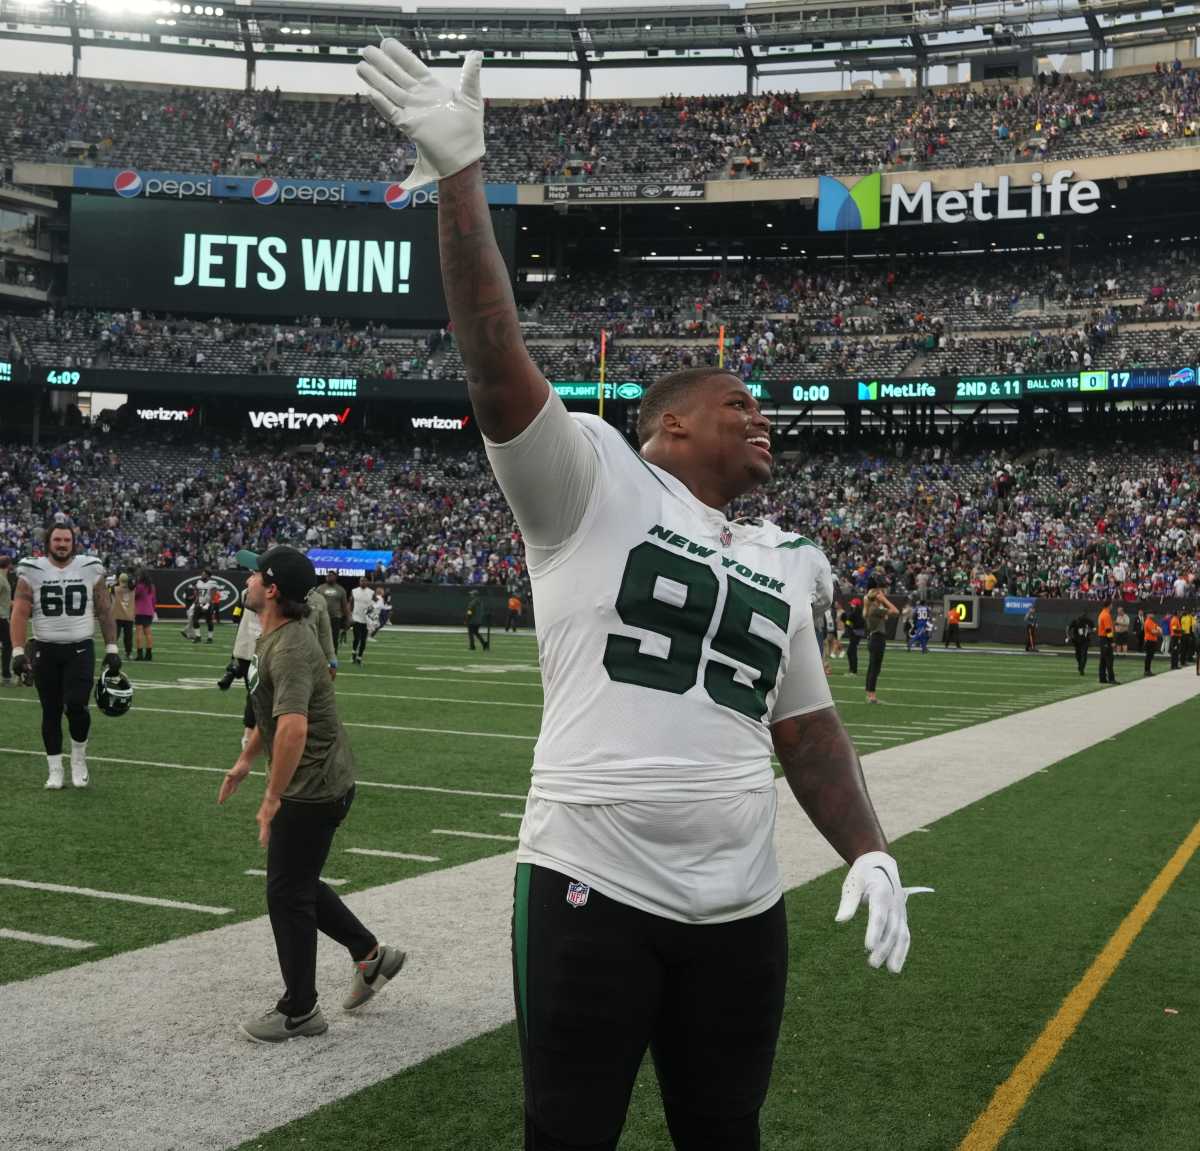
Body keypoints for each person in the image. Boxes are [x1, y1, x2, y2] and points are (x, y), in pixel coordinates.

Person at [358, 41, 925, 1150]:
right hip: (593, 879)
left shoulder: (782, 554)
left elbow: (806, 731)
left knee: (729, 1131)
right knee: (567, 1134)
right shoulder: (589, 481)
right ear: (666, 426)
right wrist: (461, 176)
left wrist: (868, 847)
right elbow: (493, 360)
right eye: (736, 402)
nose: (761, 417)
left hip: (744, 902)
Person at [219, 546, 405, 1043]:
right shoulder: (274, 635)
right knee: (297, 883)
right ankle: (371, 955)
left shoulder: (292, 646)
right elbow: (271, 714)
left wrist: (271, 797)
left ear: (273, 589)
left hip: (314, 788)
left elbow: (293, 729)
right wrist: (244, 761)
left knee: (285, 892)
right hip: (317, 782)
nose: (251, 579)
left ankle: (299, 1009)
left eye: (257, 574)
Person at [9, 523, 121, 789]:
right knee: (50, 711)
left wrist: (112, 648)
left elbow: (104, 610)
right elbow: (20, 612)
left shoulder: (89, 567)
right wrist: (17, 650)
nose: (61, 544)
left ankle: (79, 758)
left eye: (66, 540)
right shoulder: (32, 570)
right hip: (45, 649)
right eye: (57, 539)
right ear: (48, 542)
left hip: (79, 648)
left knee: (76, 705)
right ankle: (55, 768)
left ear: (73, 543)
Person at [864, 582, 900, 703]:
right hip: (877, 639)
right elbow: (895, 611)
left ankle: (869, 694)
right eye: (880, 594)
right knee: (875, 668)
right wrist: (884, 600)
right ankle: (871, 696)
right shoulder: (875, 609)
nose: (883, 595)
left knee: (873, 668)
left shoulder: (873, 608)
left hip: (875, 639)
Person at [316, 570, 350, 652]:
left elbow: (344, 606)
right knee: (321, 638)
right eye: (327, 575)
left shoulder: (341, 590)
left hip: (335, 618)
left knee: (334, 639)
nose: (328, 576)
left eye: (331, 575)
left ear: (335, 577)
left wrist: (348, 618)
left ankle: (333, 659)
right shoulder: (320, 588)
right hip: (322, 617)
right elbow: (315, 602)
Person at [184, 568, 219, 644]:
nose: (201, 575)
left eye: (203, 574)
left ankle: (210, 638)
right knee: (194, 620)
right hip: (199, 604)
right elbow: (197, 591)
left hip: (208, 604)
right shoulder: (199, 582)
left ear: (207, 575)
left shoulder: (213, 582)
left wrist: (208, 603)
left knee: (209, 621)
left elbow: (213, 593)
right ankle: (198, 637)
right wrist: (196, 601)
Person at [349, 576, 374, 665]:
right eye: (361, 581)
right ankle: (353, 653)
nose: (362, 582)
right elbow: (350, 603)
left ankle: (359, 657)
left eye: (364, 581)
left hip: (366, 619)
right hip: (356, 618)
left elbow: (374, 605)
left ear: (367, 582)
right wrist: (349, 615)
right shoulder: (354, 591)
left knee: (363, 640)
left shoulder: (371, 592)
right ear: (359, 582)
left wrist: (372, 612)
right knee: (356, 638)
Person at [134, 570, 156, 661]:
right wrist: (153, 610)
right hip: (149, 611)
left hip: (140, 611)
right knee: (148, 633)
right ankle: (149, 654)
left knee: (139, 633)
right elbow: (154, 600)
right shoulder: (152, 586)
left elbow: (134, 595)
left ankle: (140, 655)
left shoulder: (140, 586)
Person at [113, 573, 136, 659]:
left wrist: (116, 582)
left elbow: (108, 589)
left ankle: (113, 652)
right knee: (128, 637)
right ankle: (128, 653)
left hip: (117, 615)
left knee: (115, 636)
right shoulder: (133, 590)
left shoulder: (115, 589)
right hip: (129, 616)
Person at [840, 596, 864, 674]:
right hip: (856, 633)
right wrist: (846, 620)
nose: (851, 605)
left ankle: (853, 670)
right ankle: (852, 670)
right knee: (851, 651)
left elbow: (852, 624)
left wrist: (845, 620)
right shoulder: (858, 613)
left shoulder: (856, 614)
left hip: (855, 634)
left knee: (851, 652)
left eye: (852, 604)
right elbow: (850, 624)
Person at [1096, 599, 1116, 685]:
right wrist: (1111, 641)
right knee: (1109, 659)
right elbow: (1108, 630)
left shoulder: (1101, 614)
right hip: (1106, 639)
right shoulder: (1106, 615)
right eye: (1111, 604)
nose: (1112, 606)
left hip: (1102, 638)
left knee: (1103, 660)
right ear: (1109, 605)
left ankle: (1102, 678)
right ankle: (1111, 678)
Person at [1067, 610, 1093, 676]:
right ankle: (1080, 665)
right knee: (1078, 654)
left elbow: (1093, 628)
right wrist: (1069, 636)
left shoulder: (1088, 621)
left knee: (1083, 654)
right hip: (1077, 640)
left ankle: (1082, 668)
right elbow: (1068, 628)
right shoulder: (1076, 621)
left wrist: (1089, 631)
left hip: (1085, 640)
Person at [0, 555, 12, 684]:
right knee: (8, 644)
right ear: (9, 565)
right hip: (1, 617)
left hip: (3, 616)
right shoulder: (0, 578)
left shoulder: (3, 577)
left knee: (8, 645)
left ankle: (6, 675)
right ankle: (6, 675)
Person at [1143, 612, 1162, 676]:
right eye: (1151, 613)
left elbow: (1157, 627)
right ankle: (1147, 671)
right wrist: (1159, 631)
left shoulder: (1151, 621)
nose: (1153, 614)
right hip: (1149, 641)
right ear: (1148, 614)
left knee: (1150, 656)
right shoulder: (1148, 621)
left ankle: (1148, 670)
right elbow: (1153, 631)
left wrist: (1158, 630)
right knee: (1148, 656)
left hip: (1152, 641)